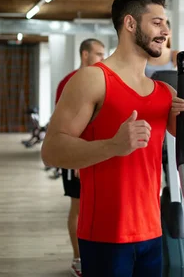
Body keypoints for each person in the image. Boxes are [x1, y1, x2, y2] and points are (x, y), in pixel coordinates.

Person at [41, 0, 184, 277]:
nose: (165, 32)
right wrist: (113, 145)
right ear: (130, 24)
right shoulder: (93, 80)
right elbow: (52, 150)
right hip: (105, 236)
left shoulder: (164, 93)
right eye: (157, 23)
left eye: (167, 24)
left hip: (151, 233)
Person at [54, 38, 106, 277]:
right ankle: (78, 258)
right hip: (76, 155)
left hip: (95, 154)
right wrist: (77, 158)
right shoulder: (71, 82)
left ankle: (94, 255)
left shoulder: (100, 80)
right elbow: (64, 128)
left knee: (95, 206)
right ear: (85, 55)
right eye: (98, 54)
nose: (102, 59)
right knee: (78, 206)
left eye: (104, 54)